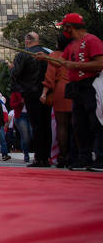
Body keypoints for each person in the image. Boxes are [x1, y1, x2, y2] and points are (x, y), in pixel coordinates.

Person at [38, 13, 103, 170]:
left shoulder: (92, 40)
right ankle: (84, 158)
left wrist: (77, 66)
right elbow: (60, 61)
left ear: (70, 27)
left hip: (91, 85)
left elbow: (100, 63)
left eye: (65, 27)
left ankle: (100, 158)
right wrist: (46, 58)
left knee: (95, 122)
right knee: (79, 124)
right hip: (76, 87)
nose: (64, 30)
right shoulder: (72, 45)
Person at [10, 31, 51, 167]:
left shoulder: (23, 54)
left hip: (31, 93)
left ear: (27, 41)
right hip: (47, 92)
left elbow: (15, 75)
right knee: (46, 125)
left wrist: (12, 69)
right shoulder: (48, 54)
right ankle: (46, 156)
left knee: (37, 126)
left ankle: (39, 157)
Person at [40, 33, 73, 168]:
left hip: (61, 90)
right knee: (77, 125)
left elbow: (50, 77)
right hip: (76, 88)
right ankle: (77, 155)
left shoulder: (54, 55)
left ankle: (62, 156)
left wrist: (44, 93)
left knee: (62, 125)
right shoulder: (75, 54)